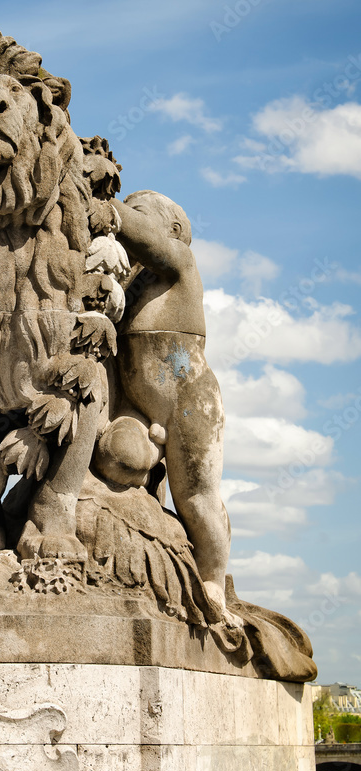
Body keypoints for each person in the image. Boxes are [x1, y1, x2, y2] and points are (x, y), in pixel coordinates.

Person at [110, 189, 241, 627]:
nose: (130, 216)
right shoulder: (128, 284)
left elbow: (143, 237)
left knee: (197, 500)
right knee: (114, 459)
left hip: (190, 402)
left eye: (139, 212)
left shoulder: (179, 261)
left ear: (175, 230)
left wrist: (105, 207)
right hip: (138, 406)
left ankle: (214, 584)